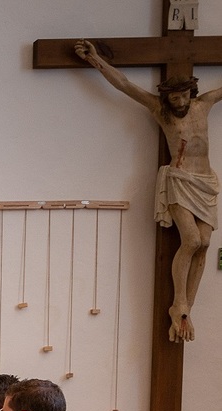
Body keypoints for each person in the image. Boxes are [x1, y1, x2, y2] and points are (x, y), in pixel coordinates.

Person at [76, 40, 222, 341]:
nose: (179, 103)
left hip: (206, 182)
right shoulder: (160, 110)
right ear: (167, 98)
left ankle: (186, 308)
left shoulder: (203, 104)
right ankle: (178, 302)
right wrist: (95, 59)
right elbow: (124, 84)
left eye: (183, 96)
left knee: (206, 242)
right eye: (174, 98)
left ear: (191, 93)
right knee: (192, 239)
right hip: (179, 180)